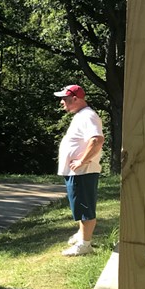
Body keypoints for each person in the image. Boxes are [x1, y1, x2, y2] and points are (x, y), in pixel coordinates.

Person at [54, 85, 104, 256]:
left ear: (75, 98)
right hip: (78, 172)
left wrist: (83, 161)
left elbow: (97, 140)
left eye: (64, 99)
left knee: (84, 207)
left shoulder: (88, 116)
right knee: (79, 205)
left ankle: (85, 245)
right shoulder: (81, 115)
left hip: (83, 171)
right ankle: (82, 235)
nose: (61, 102)